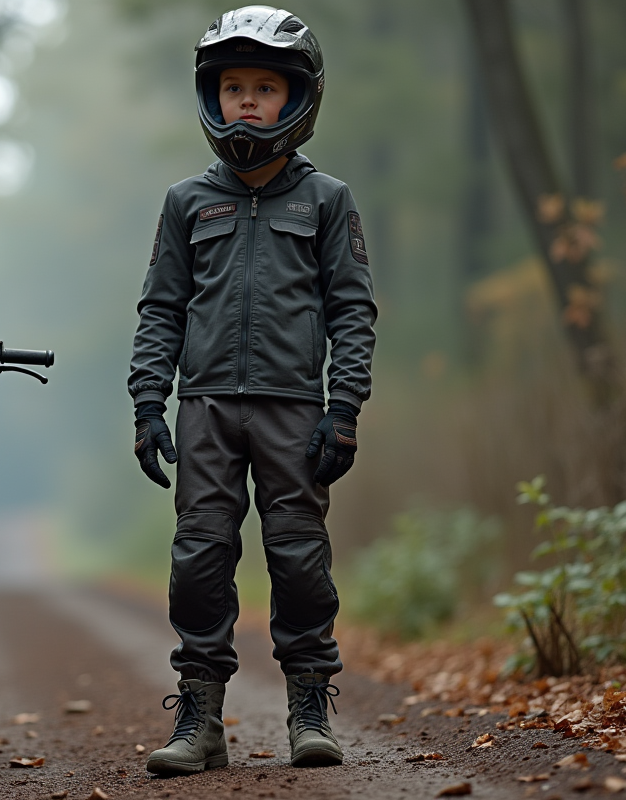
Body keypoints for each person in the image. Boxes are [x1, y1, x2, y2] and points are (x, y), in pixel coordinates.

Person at [128, 6, 377, 775]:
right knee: (199, 559)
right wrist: (147, 403)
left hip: (294, 412)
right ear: (212, 96)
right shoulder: (186, 202)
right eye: (233, 86)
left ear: (297, 98)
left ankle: (310, 711)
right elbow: (161, 308)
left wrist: (343, 410)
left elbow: (352, 310)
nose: (246, 102)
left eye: (264, 87)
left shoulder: (326, 201)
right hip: (203, 408)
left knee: (299, 559)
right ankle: (200, 722)